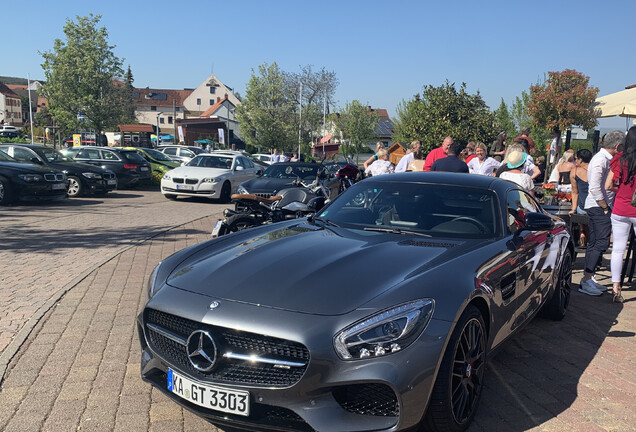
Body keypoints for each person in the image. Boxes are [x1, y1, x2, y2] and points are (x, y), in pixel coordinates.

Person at [579, 130, 625, 296]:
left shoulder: (605, 159)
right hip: (598, 206)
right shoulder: (600, 160)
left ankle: (589, 277)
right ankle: (586, 279)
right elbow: (595, 187)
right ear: (617, 146)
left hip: (599, 205)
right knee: (601, 242)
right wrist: (605, 207)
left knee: (596, 242)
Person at [607, 126, 636, 303]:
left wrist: (622, 191)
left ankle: (616, 287)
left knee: (618, 249)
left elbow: (608, 185)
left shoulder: (619, 159)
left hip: (620, 208)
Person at [569, 149, 592, 247]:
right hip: (596, 207)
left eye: (576, 159)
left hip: (582, 208)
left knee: (580, 212)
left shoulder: (575, 171)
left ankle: (582, 231)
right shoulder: (595, 170)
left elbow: (575, 192)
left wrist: (573, 209)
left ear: (580, 160)